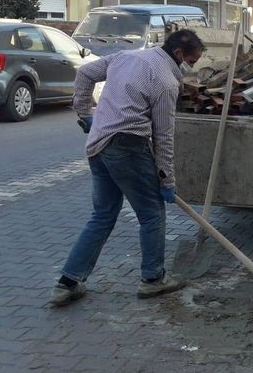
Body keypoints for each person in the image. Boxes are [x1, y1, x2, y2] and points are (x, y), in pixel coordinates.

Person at [49, 30, 206, 306]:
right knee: (152, 214)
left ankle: (67, 283)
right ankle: (153, 279)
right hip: (128, 147)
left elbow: (85, 73)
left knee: (102, 215)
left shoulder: (126, 57)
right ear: (179, 54)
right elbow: (163, 136)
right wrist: (167, 180)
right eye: (191, 62)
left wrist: (85, 113)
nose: (190, 68)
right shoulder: (166, 82)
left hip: (99, 144)